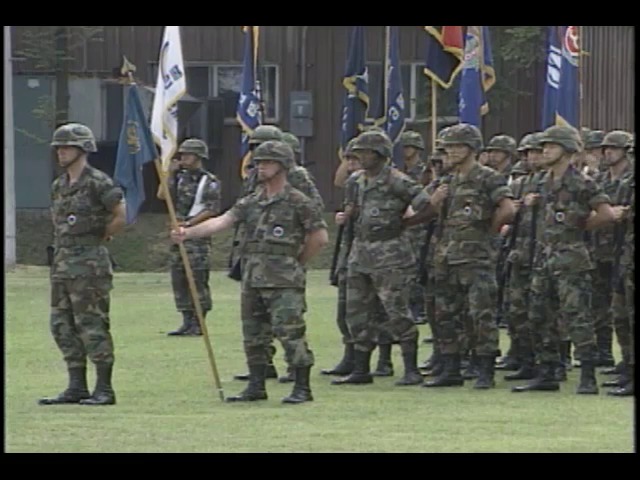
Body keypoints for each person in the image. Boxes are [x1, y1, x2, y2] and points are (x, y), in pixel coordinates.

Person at [172, 140, 328, 404]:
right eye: (258, 162)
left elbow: (319, 237)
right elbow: (222, 221)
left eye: (267, 162)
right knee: (253, 333)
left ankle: (302, 387)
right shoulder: (251, 202)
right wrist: (187, 233)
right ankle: (256, 385)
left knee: (290, 332)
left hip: (284, 280)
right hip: (253, 277)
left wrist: (296, 262)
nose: (260, 167)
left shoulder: (298, 201)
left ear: (283, 166)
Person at [331, 130, 444, 387]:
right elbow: (353, 209)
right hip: (360, 253)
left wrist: (407, 223)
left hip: (391, 254)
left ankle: (411, 369)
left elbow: (428, 207)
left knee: (396, 312)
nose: (360, 157)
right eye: (358, 153)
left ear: (380, 154)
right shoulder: (356, 181)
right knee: (357, 312)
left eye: (366, 153)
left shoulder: (398, 181)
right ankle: (361, 368)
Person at [512, 125, 615, 394]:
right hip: (542, 258)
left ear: (568, 150)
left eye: (552, 146)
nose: (545, 150)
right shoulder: (539, 182)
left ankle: (588, 375)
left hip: (571, 259)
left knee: (577, 316)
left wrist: (580, 225)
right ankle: (547, 371)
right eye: (544, 145)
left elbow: (607, 214)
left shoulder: (582, 182)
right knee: (538, 316)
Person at [39, 123, 126, 406]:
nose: (61, 152)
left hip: (90, 265)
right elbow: (58, 222)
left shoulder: (98, 182)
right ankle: (76, 385)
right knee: (61, 325)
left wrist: (101, 236)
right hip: (63, 263)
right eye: (59, 147)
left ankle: (104, 388)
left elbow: (119, 214)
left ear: (83, 149)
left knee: (92, 324)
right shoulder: (59, 185)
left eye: (67, 147)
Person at [424, 123, 515, 389]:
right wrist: (435, 201)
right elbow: (427, 212)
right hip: (446, 257)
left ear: (472, 148)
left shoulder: (487, 177)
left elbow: (508, 209)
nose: (450, 152)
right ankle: (451, 367)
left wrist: (489, 230)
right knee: (445, 313)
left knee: (481, 314)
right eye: (447, 147)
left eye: (456, 146)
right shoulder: (447, 180)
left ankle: (484, 367)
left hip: (476, 258)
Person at [167, 138, 221, 336]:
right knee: (179, 278)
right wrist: (170, 174)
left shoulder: (209, 181)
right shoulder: (179, 178)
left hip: (197, 237)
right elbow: (163, 196)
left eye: (187, 154)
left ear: (199, 157)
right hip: (178, 236)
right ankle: (186, 319)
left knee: (197, 278)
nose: (183, 158)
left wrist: (189, 224)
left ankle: (199, 322)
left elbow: (212, 208)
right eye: (182, 154)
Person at [322, 138, 361, 376]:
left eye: (356, 159)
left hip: (379, 254)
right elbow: (338, 181)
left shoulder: (388, 181)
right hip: (350, 251)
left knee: (376, 312)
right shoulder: (354, 183)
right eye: (349, 159)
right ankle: (350, 357)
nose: (351, 164)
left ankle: (383, 360)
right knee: (346, 310)